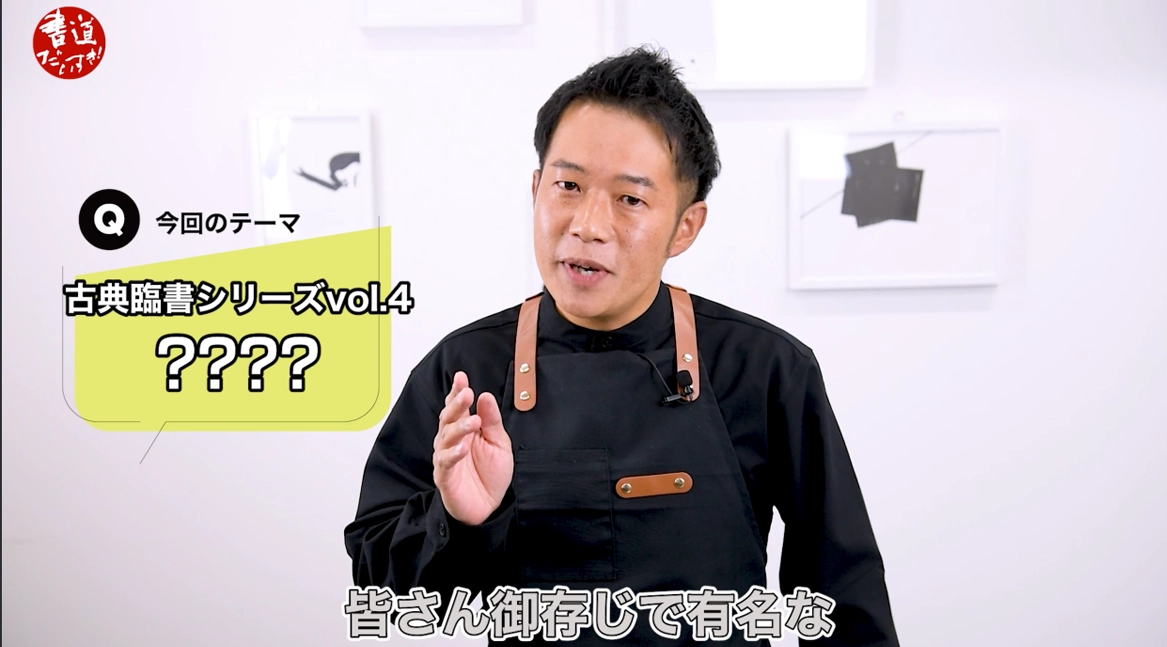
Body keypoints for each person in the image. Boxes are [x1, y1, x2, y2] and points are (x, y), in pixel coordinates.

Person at [345, 46, 899, 646]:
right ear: (535, 189)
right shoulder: (464, 371)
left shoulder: (765, 369)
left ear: (685, 226)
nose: (588, 225)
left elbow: (845, 596)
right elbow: (380, 586)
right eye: (567, 185)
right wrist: (456, 519)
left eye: (630, 199)